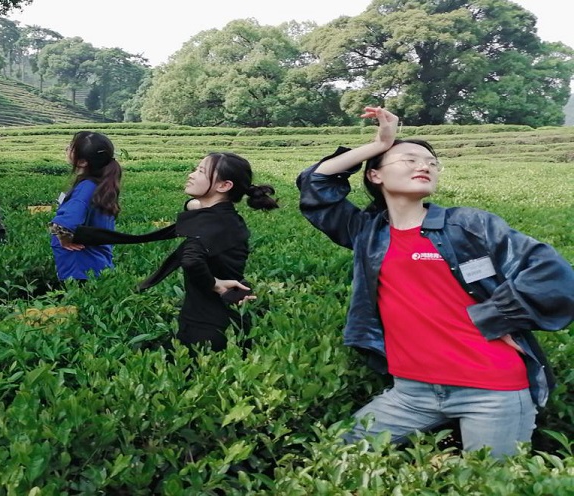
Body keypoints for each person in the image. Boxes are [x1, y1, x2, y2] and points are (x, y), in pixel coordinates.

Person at [296, 106, 574, 457]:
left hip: (492, 388)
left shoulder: (469, 225)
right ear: (375, 177)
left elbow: (554, 274)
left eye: (430, 161)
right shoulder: (367, 233)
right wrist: (379, 143)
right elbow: (315, 184)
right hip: (411, 392)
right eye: (408, 159)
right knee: (333, 452)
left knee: (489, 484)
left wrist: (497, 316)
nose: (423, 165)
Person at [73, 152, 279, 352]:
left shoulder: (209, 226)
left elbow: (191, 260)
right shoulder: (225, 217)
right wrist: (195, 203)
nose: (191, 174)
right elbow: (195, 208)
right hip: (225, 317)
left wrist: (215, 285)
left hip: (206, 328)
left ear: (224, 185)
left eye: (200, 171)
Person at [48, 131, 122, 281]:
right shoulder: (101, 185)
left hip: (79, 268)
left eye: (71, 147)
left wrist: (63, 237)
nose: (67, 149)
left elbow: (66, 222)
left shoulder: (85, 188)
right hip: (97, 265)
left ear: (82, 162)